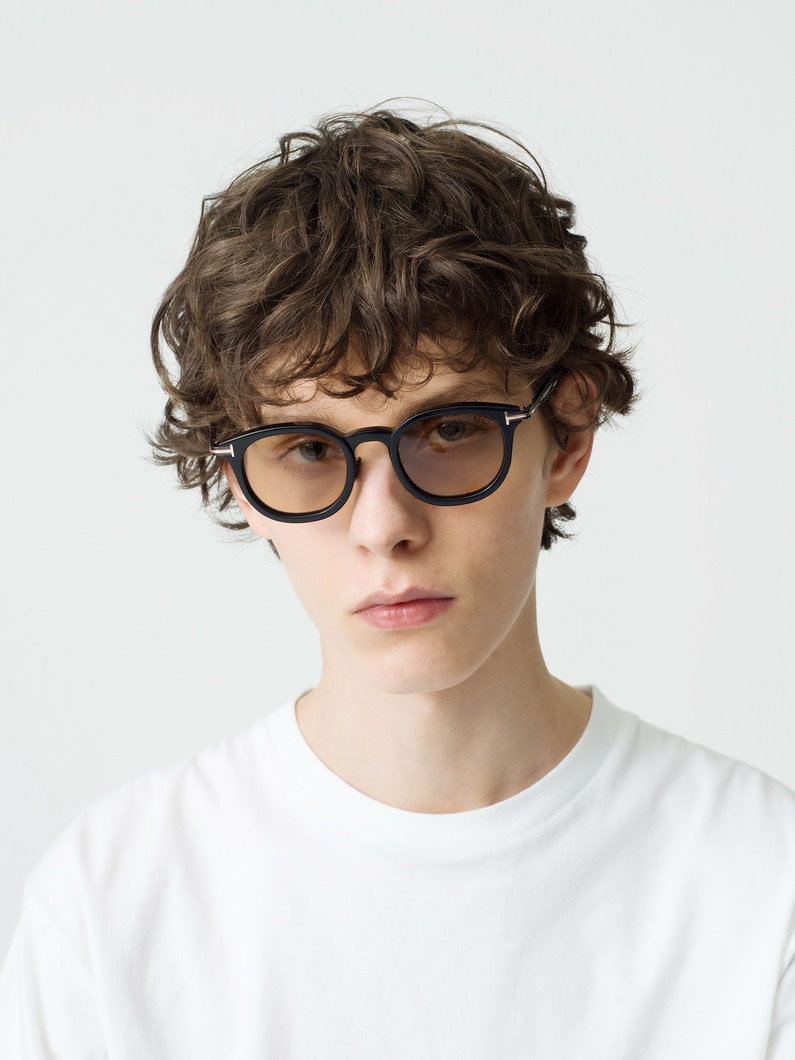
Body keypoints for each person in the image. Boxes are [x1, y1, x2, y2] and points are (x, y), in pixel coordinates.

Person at [1, 106, 793, 1058]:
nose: (384, 527)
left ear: (566, 440)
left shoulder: (762, 890)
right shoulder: (111, 907)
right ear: (240, 483)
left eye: (449, 430)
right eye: (308, 449)